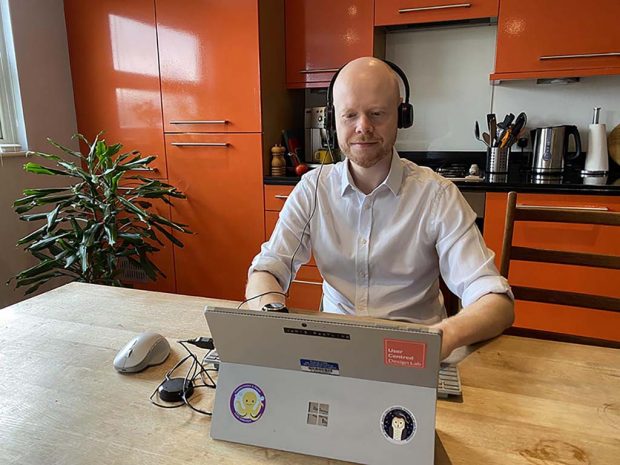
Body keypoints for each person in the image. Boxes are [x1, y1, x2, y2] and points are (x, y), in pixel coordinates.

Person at [246, 57, 514, 359]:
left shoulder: (437, 196)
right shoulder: (313, 189)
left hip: (415, 353)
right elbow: (267, 269)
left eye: (376, 113)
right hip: (334, 352)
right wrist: (272, 314)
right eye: (349, 115)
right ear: (333, 119)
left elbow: (497, 302)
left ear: (401, 115)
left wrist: (442, 337)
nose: (363, 127)